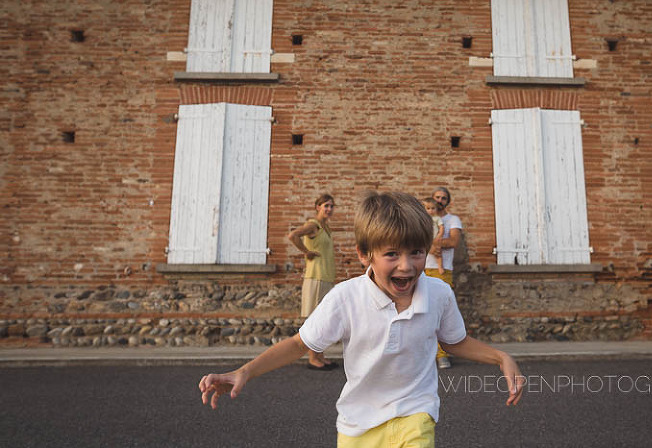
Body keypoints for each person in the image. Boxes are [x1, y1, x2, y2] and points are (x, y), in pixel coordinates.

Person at [199, 191, 523, 448]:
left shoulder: (438, 293)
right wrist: (244, 371)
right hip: (357, 426)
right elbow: (300, 343)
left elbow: (454, 341)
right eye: (392, 254)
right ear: (364, 254)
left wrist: (501, 357)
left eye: (416, 253)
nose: (407, 266)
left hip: (415, 414)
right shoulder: (345, 298)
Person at [287, 193, 338, 370]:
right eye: (326, 206)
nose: (329, 209)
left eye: (332, 206)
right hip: (315, 277)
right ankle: (312, 358)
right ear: (318, 207)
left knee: (323, 319)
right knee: (314, 319)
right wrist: (305, 252)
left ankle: (320, 356)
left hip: (325, 277)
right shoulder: (313, 225)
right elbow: (293, 235)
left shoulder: (325, 227)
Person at [424, 186, 463, 369]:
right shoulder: (424, 217)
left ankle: (442, 354)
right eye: (437, 197)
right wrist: (429, 246)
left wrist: (431, 244)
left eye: (443, 198)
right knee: (422, 312)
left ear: (448, 201)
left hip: (442, 270)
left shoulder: (452, 219)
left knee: (441, 312)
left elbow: (454, 241)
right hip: (422, 269)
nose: (440, 200)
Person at [421, 197, 445, 275]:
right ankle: (423, 268)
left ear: (436, 209)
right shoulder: (424, 218)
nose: (431, 210)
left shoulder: (437, 218)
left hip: (435, 238)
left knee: (438, 252)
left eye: (433, 208)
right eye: (428, 208)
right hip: (426, 238)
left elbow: (441, 227)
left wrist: (440, 235)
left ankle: (440, 266)